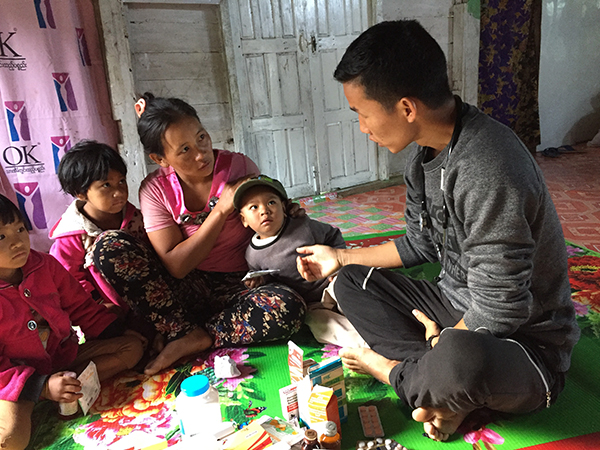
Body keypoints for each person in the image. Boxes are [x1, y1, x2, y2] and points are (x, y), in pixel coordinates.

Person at [296, 20, 580, 441]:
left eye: (363, 114)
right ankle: (438, 393)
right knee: (351, 282)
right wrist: (339, 258)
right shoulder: (421, 160)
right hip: (454, 306)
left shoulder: (488, 166)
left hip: (524, 344)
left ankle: (399, 374)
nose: (363, 128)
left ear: (407, 108)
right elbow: (420, 244)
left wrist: (444, 342)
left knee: (459, 361)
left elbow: (502, 308)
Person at [93, 93, 306, 376]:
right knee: (108, 247)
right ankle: (180, 330)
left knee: (287, 308)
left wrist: (284, 212)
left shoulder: (239, 167)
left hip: (239, 284)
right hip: (181, 290)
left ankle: (195, 335)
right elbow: (177, 266)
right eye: (184, 150)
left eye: (202, 138)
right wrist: (220, 212)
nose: (201, 153)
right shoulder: (155, 190)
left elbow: (263, 217)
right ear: (160, 158)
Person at [0, 195, 144, 450]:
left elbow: (82, 308)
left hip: (62, 357)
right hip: (13, 382)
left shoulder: (44, 265)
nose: (17, 242)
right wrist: (41, 388)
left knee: (131, 347)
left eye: (20, 229)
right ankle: (53, 393)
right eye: (1, 237)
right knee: (11, 439)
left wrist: (120, 331)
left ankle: (66, 389)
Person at [234, 175, 363, 346]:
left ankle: (380, 323)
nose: (264, 210)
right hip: (310, 304)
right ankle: (366, 343)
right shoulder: (252, 254)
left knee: (358, 295)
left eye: (271, 202)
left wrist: (339, 266)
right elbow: (270, 284)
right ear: (243, 219)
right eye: (254, 207)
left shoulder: (302, 225)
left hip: (333, 283)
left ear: (284, 207)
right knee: (323, 326)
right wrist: (258, 282)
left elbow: (333, 235)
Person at [49, 140, 147, 313]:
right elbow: (67, 280)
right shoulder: (72, 236)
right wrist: (98, 304)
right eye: (106, 185)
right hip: (105, 311)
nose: (119, 192)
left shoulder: (139, 218)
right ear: (80, 193)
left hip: (149, 300)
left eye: (122, 181)